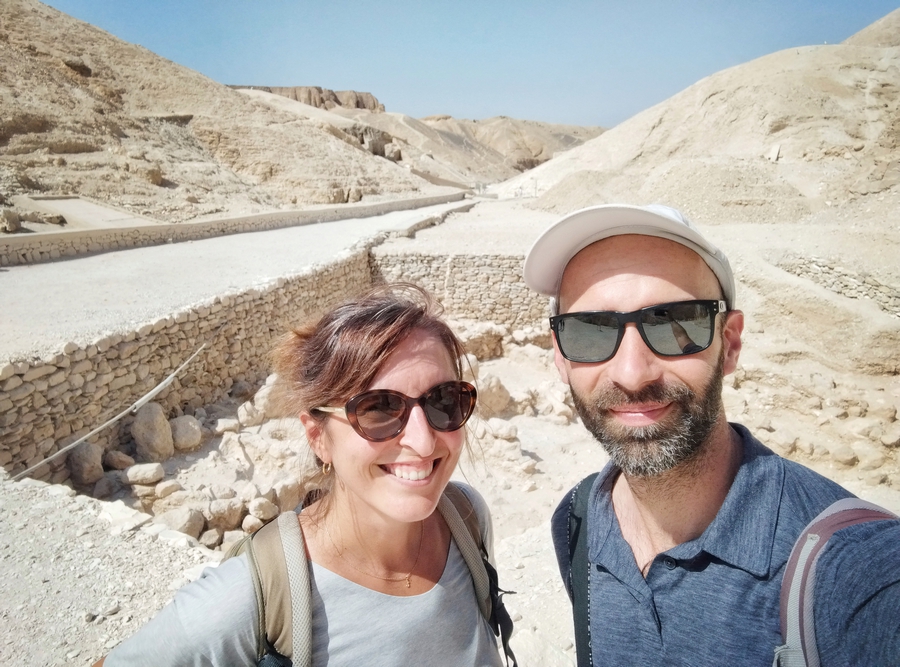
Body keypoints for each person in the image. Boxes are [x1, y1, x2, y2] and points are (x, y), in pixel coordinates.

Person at [522, 204, 900, 666]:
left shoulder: (859, 571)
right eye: (590, 331)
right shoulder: (577, 521)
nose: (632, 374)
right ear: (560, 356)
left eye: (673, 324)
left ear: (730, 343)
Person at [95, 283, 508, 667]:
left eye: (444, 400)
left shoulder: (466, 518)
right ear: (318, 437)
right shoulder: (246, 602)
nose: (423, 441)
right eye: (379, 409)